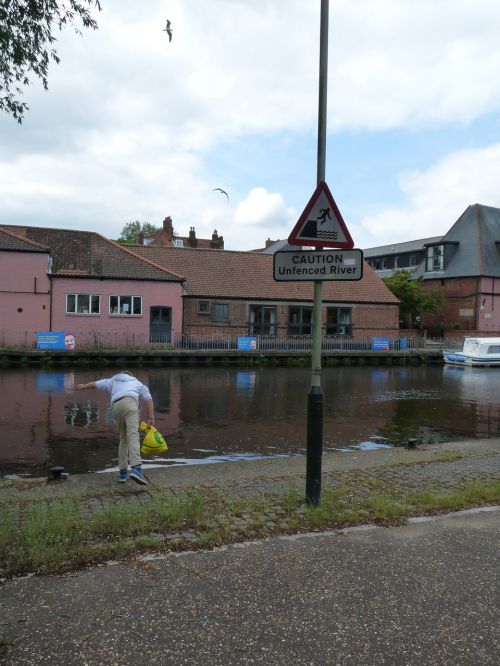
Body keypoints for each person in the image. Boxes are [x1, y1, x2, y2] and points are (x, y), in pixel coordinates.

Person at [75, 371, 154, 485]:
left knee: (123, 439)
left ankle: (122, 473)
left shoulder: (113, 380)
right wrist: (151, 416)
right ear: (131, 376)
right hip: (130, 403)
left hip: (116, 406)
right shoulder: (137, 382)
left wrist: (83, 387)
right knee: (133, 435)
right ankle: (136, 469)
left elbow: (96, 384)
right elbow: (148, 398)